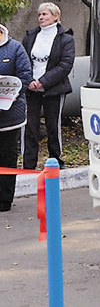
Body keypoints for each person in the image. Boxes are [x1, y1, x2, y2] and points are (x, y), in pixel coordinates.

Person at [21, 2, 75, 171]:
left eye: (45, 14)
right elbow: (23, 61)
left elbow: (65, 65)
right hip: (31, 90)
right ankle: (28, 165)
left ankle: (56, 162)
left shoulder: (66, 38)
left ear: (56, 16)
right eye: (39, 15)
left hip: (53, 89)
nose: (41, 18)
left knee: (53, 126)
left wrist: (43, 81)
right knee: (30, 127)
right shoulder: (30, 36)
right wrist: (29, 80)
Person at [0, 23, 32, 211]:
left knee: (7, 157)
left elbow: (25, 76)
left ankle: (4, 200)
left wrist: (9, 97)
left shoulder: (15, 48)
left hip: (9, 116)